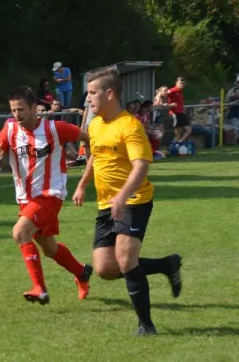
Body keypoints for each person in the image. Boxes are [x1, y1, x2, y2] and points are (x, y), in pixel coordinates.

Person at [72, 68, 182, 336]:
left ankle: (146, 325)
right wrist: (82, 184)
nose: (88, 99)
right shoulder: (95, 125)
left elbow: (141, 166)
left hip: (133, 200)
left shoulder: (129, 125)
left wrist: (121, 196)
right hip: (106, 204)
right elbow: (96, 157)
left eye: (92, 93)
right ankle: (166, 265)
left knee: (124, 258)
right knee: (105, 269)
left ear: (110, 94)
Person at [0, 85, 93, 305]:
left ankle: (40, 288)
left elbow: (89, 138)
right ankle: (82, 272)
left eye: (22, 109)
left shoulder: (55, 128)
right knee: (49, 248)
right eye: (14, 110)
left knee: (20, 232)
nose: (17, 115)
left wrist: (87, 172)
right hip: (26, 198)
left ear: (35, 108)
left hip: (50, 194)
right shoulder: (10, 131)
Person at [167, 77, 191, 143]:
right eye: (180, 83)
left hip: (180, 113)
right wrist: (166, 104)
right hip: (175, 114)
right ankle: (175, 145)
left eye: (183, 84)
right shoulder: (173, 90)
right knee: (179, 134)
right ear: (176, 83)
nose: (182, 85)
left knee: (183, 132)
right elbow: (164, 93)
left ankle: (177, 144)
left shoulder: (180, 91)